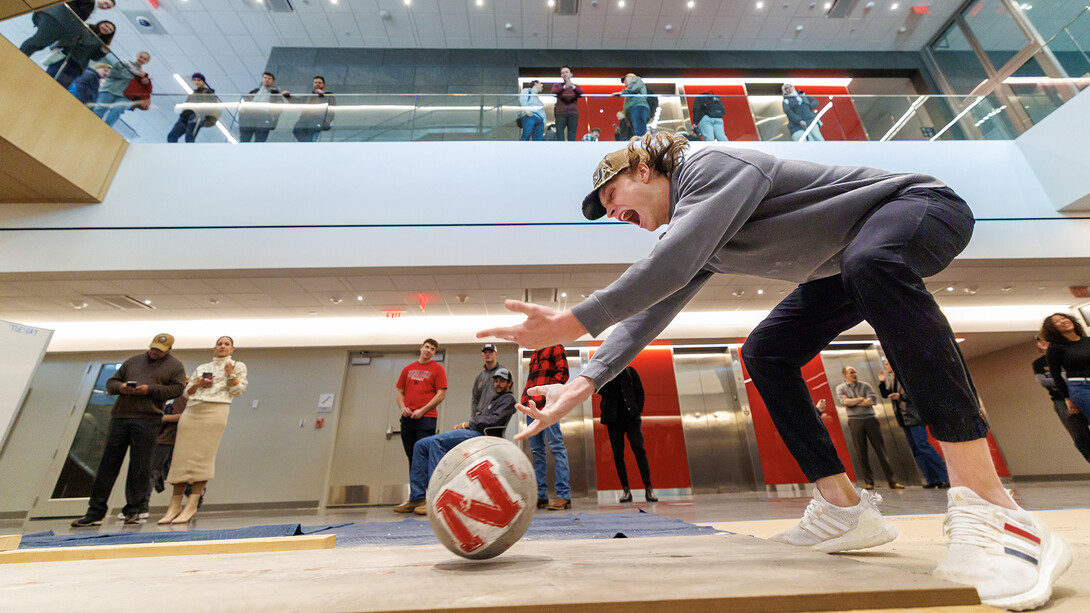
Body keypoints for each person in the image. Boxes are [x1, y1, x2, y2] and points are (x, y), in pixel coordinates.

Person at [477, 132, 1071, 610]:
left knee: (874, 261)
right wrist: (581, 384)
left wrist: (575, 320)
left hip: (919, 208)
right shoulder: (701, 229)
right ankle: (843, 509)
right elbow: (652, 309)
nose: (614, 215)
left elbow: (671, 260)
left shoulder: (711, 164)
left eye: (612, 200)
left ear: (643, 169)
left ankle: (992, 506)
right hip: (848, 263)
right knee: (766, 351)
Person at [72, 333, 186, 527]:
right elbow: (111, 384)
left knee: (140, 467)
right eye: (152, 348)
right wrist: (122, 387)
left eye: (159, 350)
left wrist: (149, 389)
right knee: (108, 465)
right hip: (121, 417)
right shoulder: (133, 361)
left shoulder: (175, 366)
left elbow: (177, 390)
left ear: (168, 350)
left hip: (148, 420)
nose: (154, 352)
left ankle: (134, 510)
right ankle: (95, 512)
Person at [394, 368, 518, 515]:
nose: (498, 384)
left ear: (509, 384)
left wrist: (466, 424)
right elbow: (484, 419)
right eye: (496, 381)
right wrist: (467, 424)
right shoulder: (494, 399)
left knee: (437, 442)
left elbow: (493, 420)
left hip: (481, 435)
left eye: (502, 381)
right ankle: (417, 497)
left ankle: (437, 497)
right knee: (420, 445)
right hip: (474, 430)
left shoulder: (508, 400)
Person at [159, 336, 247, 524]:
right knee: (181, 458)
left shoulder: (238, 366)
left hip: (215, 411)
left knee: (203, 459)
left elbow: (238, 391)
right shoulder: (202, 367)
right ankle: (174, 506)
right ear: (214, 348)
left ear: (232, 349)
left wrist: (230, 374)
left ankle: (191, 505)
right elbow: (186, 392)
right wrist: (198, 384)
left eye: (226, 344)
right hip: (192, 411)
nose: (222, 346)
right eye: (219, 344)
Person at [879, 359, 949, 488]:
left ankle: (945, 476)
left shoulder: (905, 377)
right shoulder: (893, 380)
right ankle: (932, 480)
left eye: (887, 364)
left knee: (923, 446)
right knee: (916, 450)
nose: (886, 366)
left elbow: (916, 394)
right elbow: (885, 394)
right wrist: (882, 382)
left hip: (914, 417)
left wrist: (900, 396)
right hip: (904, 419)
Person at [835, 366, 904, 490]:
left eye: (855, 371)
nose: (854, 374)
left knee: (881, 450)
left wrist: (854, 401)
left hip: (871, 420)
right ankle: (869, 482)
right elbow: (844, 402)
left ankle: (892, 481)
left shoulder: (866, 386)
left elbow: (871, 401)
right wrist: (862, 399)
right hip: (855, 421)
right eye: (851, 372)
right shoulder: (841, 388)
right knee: (861, 452)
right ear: (845, 375)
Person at [522, 345, 571, 510]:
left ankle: (563, 495)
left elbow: (563, 373)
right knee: (536, 451)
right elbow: (530, 380)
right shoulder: (535, 354)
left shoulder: (555, 346)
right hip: (533, 409)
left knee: (556, 448)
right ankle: (541, 495)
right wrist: (525, 402)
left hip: (549, 408)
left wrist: (551, 395)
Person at [597, 365, 655, 502]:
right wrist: (609, 373)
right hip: (613, 420)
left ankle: (648, 488)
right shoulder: (605, 374)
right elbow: (600, 390)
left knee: (639, 450)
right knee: (618, 455)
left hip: (631, 418)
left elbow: (639, 390)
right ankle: (626, 490)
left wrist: (638, 409)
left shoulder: (630, 371)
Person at [1032, 332, 1090, 463]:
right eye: (1041, 341)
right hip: (1061, 401)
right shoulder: (1038, 363)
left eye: (1047, 339)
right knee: (1080, 437)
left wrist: (1065, 379)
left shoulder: (1069, 354)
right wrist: (1072, 379)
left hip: (1083, 393)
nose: (1045, 343)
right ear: (1038, 345)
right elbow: (1043, 381)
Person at [395, 339, 448, 466]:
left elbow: (441, 395)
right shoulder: (408, 369)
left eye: (432, 349)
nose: (428, 350)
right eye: (427, 347)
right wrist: (403, 408)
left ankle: (425, 486)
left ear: (434, 353)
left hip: (426, 419)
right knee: (411, 457)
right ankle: (415, 486)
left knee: (423, 456)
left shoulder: (438, 369)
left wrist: (422, 410)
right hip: (408, 418)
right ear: (421, 348)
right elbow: (400, 392)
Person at [18, 0, 114, 57]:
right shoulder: (89, 2)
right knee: (38, 42)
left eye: (108, 7)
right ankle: (18, 56)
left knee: (40, 43)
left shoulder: (91, 5)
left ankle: (20, 56)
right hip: (56, 18)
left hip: (58, 21)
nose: (104, 6)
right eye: (106, 3)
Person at [1042, 313, 1090, 423]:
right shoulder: (1055, 348)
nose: (1063, 321)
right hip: (1081, 387)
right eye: (1057, 321)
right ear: (1053, 329)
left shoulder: (1087, 341)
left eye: (1064, 318)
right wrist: (1067, 398)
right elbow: (1056, 374)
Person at [44, 20, 115, 88]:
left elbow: (94, 58)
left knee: (61, 86)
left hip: (78, 66)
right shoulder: (86, 28)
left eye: (110, 30)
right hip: (66, 57)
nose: (107, 29)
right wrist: (58, 46)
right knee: (49, 77)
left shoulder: (102, 43)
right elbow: (70, 38)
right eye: (106, 26)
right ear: (100, 23)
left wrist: (103, 52)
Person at [93, 51, 151, 127]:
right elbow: (113, 73)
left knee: (116, 112)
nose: (142, 59)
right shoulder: (124, 63)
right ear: (136, 56)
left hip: (125, 96)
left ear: (147, 62)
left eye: (145, 59)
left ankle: (105, 130)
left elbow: (145, 89)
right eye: (141, 56)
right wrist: (133, 75)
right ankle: (90, 126)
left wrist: (144, 82)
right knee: (99, 109)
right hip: (110, 90)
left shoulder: (144, 75)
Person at [167, 73, 219, 144]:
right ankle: (172, 153)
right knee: (171, 136)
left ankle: (189, 153)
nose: (196, 82)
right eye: (194, 80)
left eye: (199, 80)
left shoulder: (208, 93)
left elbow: (212, 107)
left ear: (203, 82)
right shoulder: (193, 94)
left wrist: (203, 116)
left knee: (189, 137)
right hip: (185, 117)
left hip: (195, 117)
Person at [238, 72, 287, 143]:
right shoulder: (255, 91)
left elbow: (279, 108)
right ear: (262, 79)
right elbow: (244, 102)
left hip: (264, 117)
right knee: (244, 139)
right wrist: (243, 114)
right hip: (249, 117)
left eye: (269, 78)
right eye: (265, 78)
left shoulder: (276, 94)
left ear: (273, 81)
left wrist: (273, 120)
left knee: (260, 140)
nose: (267, 80)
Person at [292, 75, 336, 143]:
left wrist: (323, 95)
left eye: (319, 83)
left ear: (324, 85)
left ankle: (309, 146)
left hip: (320, 119)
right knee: (297, 129)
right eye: (315, 82)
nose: (317, 84)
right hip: (305, 119)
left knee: (311, 131)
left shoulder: (329, 95)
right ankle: (308, 145)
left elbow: (332, 108)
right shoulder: (309, 96)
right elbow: (298, 101)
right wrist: (288, 96)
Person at [471, 343, 504, 422]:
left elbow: (509, 395)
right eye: (485, 352)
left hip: (496, 418)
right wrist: (473, 417)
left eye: (490, 352)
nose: (487, 354)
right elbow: (475, 399)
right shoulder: (479, 377)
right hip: (480, 418)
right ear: (482, 355)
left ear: (496, 354)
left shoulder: (504, 373)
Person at [551, 65, 585, 141]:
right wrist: (564, 87)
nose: (565, 74)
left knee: (572, 133)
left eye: (566, 72)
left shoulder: (576, 86)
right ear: (561, 75)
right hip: (560, 113)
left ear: (571, 74)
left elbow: (581, 93)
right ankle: (561, 149)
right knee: (559, 132)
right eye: (562, 73)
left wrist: (572, 86)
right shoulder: (557, 85)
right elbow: (553, 92)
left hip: (573, 112)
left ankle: (571, 150)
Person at [614, 73, 650, 137]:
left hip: (638, 106)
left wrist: (622, 92)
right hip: (635, 108)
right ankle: (638, 140)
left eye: (625, 79)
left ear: (631, 77)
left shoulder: (636, 80)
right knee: (637, 127)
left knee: (639, 128)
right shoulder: (629, 92)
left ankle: (639, 142)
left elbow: (634, 87)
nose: (624, 82)